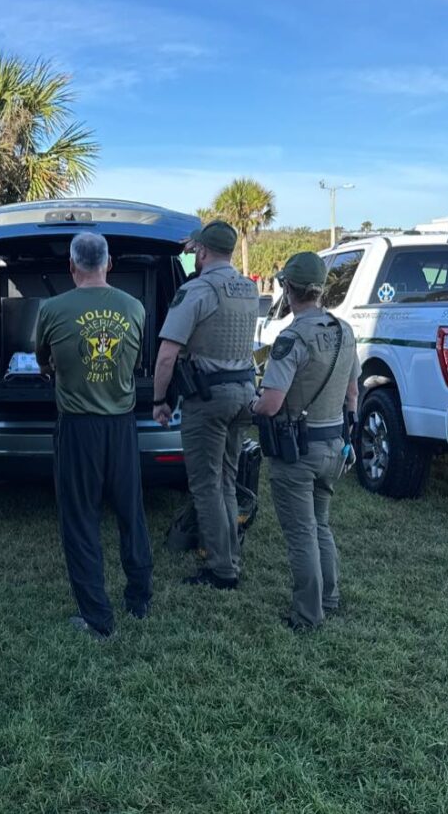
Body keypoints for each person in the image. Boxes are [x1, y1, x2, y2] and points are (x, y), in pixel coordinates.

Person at [35, 232, 152, 640]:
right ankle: (139, 597)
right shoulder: (134, 307)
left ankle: (97, 617)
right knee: (130, 513)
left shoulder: (51, 308)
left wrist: (55, 371)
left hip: (78, 428)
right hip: (121, 425)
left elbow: (43, 360)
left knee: (80, 521)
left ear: (71, 265)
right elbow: (135, 360)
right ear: (109, 263)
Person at [251, 252, 359, 631]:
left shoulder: (292, 338)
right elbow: (352, 393)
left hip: (297, 452)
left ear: (288, 289)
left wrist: (253, 403)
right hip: (333, 446)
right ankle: (329, 596)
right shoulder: (345, 331)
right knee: (321, 525)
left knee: (301, 534)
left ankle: (307, 615)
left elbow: (272, 402)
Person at [152, 221, 259, 590]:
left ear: (201, 252)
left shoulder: (197, 290)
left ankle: (220, 570)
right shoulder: (248, 287)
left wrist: (159, 400)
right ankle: (230, 554)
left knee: (205, 484)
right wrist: (197, 245)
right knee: (227, 478)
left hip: (208, 400)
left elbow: (167, 355)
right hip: (243, 394)